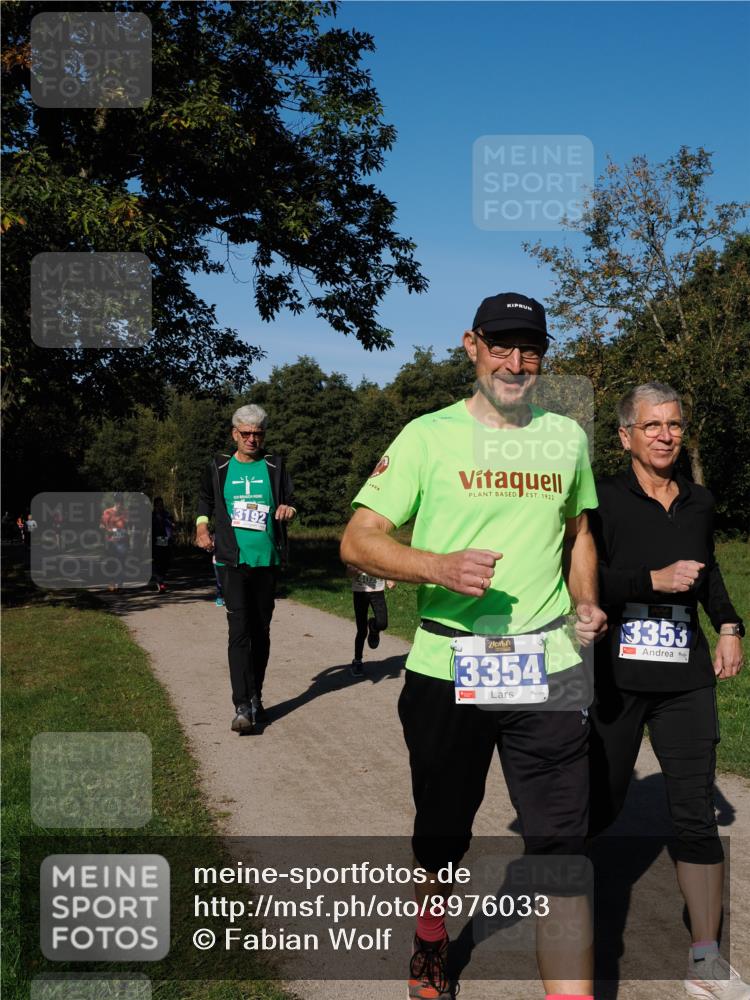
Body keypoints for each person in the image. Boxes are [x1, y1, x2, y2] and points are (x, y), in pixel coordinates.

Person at [340, 292, 607, 1000]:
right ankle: (431, 938)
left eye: (531, 350)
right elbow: (358, 539)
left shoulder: (567, 437)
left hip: (545, 666)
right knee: (442, 834)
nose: (517, 363)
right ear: (471, 346)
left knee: (560, 848)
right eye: (502, 346)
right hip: (447, 662)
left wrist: (585, 599)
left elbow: (580, 534)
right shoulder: (427, 436)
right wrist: (435, 566)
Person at [587, 382, 748, 1000]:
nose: (665, 435)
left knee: (695, 814)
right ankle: (573, 925)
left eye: (674, 425)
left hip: (685, 679)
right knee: (598, 804)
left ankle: (705, 959)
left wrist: (729, 624)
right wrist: (649, 579)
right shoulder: (600, 498)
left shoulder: (700, 501)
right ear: (625, 435)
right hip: (615, 676)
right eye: (651, 425)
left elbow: (707, 574)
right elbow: (583, 576)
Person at [195, 404, 297, 732]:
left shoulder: (275, 465)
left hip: (267, 560)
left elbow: (293, 500)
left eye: (258, 433)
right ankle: (241, 705)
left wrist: (288, 509)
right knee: (238, 631)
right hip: (231, 559)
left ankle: (256, 697)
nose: (252, 439)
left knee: (261, 631)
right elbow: (204, 500)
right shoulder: (219, 466)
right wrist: (201, 527)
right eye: (246, 433)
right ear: (234, 434)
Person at [346, 564, 395, 677]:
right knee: (362, 630)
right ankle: (357, 661)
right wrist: (353, 571)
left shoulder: (379, 548)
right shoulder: (356, 550)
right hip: (360, 591)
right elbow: (348, 573)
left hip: (377, 591)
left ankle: (373, 627)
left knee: (382, 623)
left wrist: (390, 578)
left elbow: (386, 562)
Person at [100, 493, 129, 592]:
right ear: (115, 501)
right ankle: (111, 581)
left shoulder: (125, 513)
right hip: (111, 542)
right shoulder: (107, 512)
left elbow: (128, 525)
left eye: (121, 501)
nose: (120, 503)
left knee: (121, 563)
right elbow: (101, 525)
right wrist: (107, 530)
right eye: (118, 501)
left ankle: (120, 585)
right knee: (112, 563)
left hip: (122, 542)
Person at [151, 497, 174, 593]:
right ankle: (161, 583)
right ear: (155, 505)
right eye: (159, 505)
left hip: (166, 540)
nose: (161, 506)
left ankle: (161, 580)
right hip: (155, 542)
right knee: (157, 563)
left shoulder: (167, 515)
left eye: (162, 504)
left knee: (165, 563)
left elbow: (171, 525)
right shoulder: (151, 516)